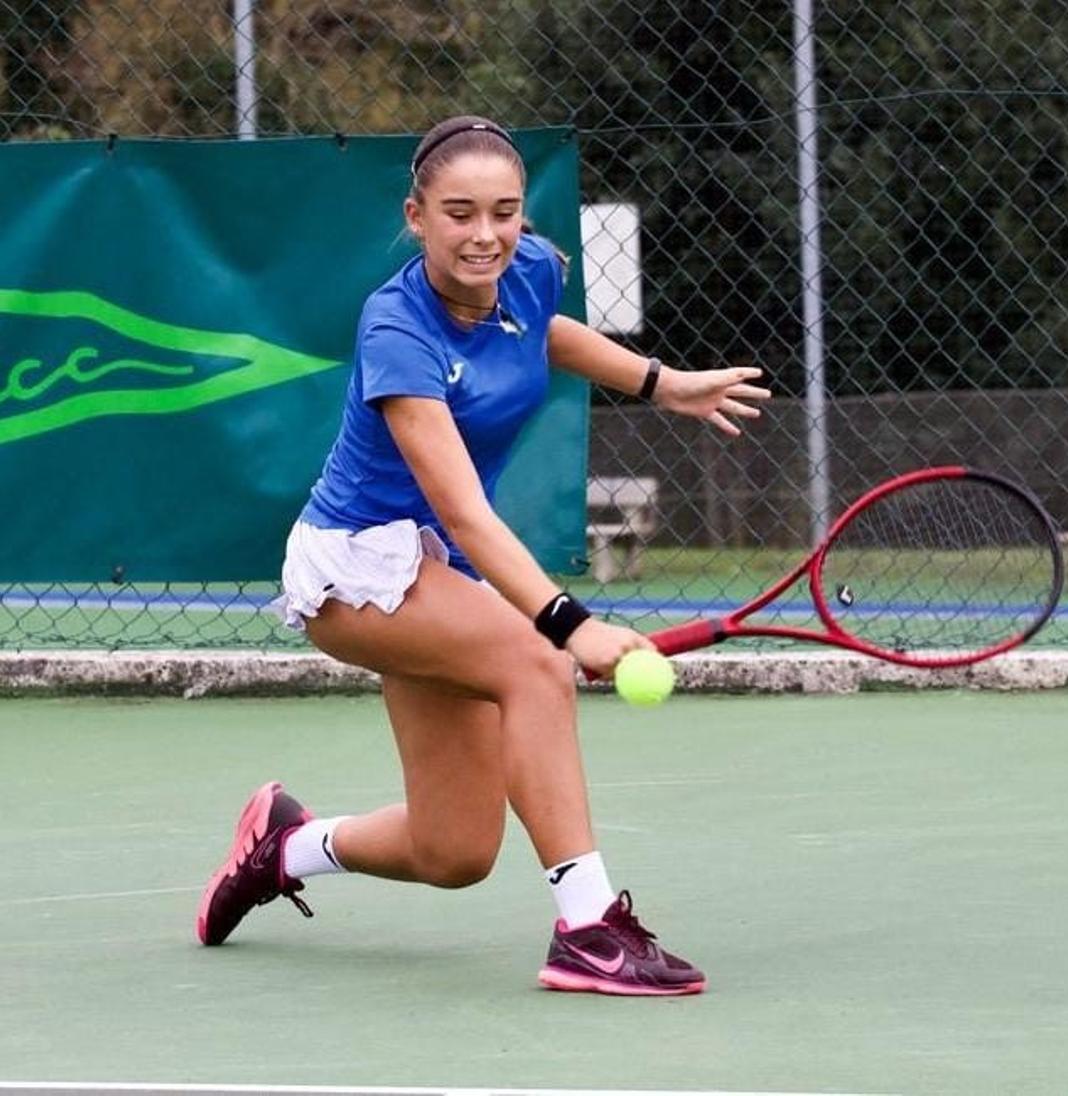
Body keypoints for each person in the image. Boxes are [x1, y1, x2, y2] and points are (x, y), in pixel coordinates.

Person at [195, 116, 770, 996]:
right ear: (417, 216)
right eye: (460, 214)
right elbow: (464, 512)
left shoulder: (527, 269)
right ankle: (589, 931)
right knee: (535, 663)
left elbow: (544, 332)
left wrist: (661, 383)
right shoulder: (396, 326)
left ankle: (284, 846)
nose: (485, 235)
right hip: (357, 568)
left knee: (453, 849)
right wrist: (570, 625)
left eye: (503, 212)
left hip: (434, 572)